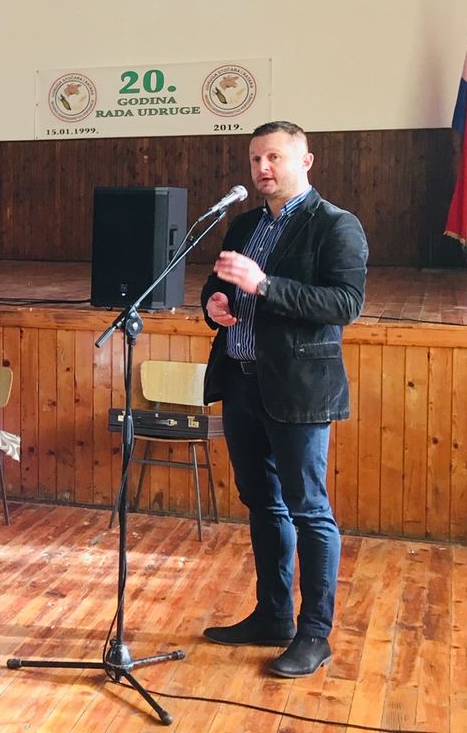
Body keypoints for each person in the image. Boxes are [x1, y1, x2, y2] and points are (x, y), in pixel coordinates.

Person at [200, 121, 368, 678]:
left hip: (299, 389)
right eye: (255, 159)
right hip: (241, 382)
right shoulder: (245, 224)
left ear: (305, 161)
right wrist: (216, 305)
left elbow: (344, 303)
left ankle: (314, 633)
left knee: (309, 509)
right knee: (262, 504)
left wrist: (264, 285)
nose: (262, 168)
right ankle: (273, 616)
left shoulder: (336, 225)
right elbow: (216, 286)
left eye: (274, 157)